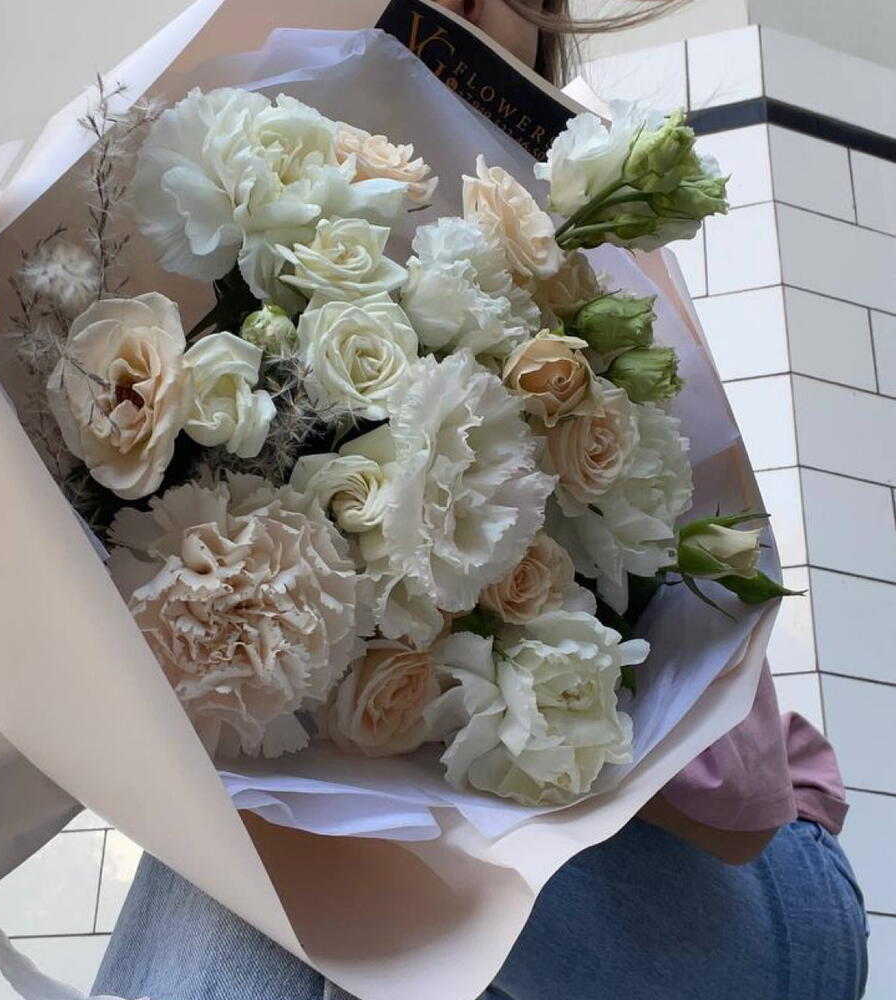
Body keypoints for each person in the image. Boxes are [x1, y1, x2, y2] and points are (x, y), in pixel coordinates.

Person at [93, 3, 870, 998]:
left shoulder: (586, 287)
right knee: (276, 799)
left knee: (287, 827)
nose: (450, 12)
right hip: (489, 888)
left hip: (757, 891)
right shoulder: (259, 302)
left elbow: (740, 803)